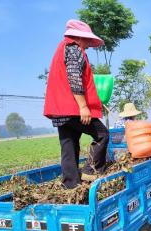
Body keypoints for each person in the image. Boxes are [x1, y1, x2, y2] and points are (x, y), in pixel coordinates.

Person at [43, 20, 109, 188]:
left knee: (69, 148)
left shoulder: (62, 49)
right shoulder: (73, 49)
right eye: (87, 41)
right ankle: (90, 171)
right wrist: (83, 107)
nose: (88, 46)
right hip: (72, 109)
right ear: (80, 38)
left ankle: (71, 185)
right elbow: (74, 78)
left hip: (59, 109)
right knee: (102, 135)